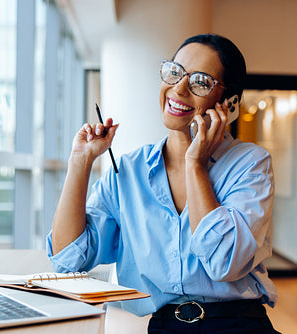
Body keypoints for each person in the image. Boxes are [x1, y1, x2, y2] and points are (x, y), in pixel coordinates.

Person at [47, 33, 280, 334]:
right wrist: (80, 162)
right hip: (165, 327)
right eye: (175, 72)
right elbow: (68, 260)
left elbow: (225, 262)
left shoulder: (250, 163)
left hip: (237, 324)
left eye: (200, 81)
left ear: (229, 103)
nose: (179, 88)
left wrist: (195, 164)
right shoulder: (128, 172)